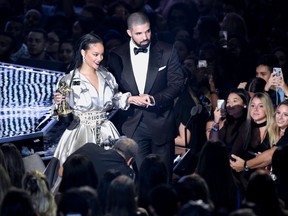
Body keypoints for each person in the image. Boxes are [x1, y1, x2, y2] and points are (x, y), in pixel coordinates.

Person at [45, 33, 150, 180]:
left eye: (101, 54)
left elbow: (114, 99)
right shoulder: (68, 80)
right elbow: (60, 114)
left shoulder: (106, 76)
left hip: (106, 131)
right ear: (83, 53)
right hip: (80, 134)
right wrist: (58, 102)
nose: (99, 58)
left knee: (113, 175)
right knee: (80, 175)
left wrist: (133, 99)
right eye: (95, 54)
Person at [107, 12, 185, 179]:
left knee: (163, 179)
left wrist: (155, 99)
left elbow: (177, 84)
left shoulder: (167, 51)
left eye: (148, 31)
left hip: (161, 121)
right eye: (139, 33)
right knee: (139, 179)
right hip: (132, 124)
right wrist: (129, 99)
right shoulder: (116, 55)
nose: (145, 37)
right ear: (129, 33)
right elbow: (111, 92)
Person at [230, 100, 288, 172]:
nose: (280, 117)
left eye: (286, 115)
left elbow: (272, 155)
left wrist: (245, 165)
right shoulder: (272, 130)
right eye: (278, 113)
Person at [67, 136, 138, 182]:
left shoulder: (89, 148)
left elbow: (61, 171)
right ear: (130, 160)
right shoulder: (127, 174)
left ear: (113, 147)